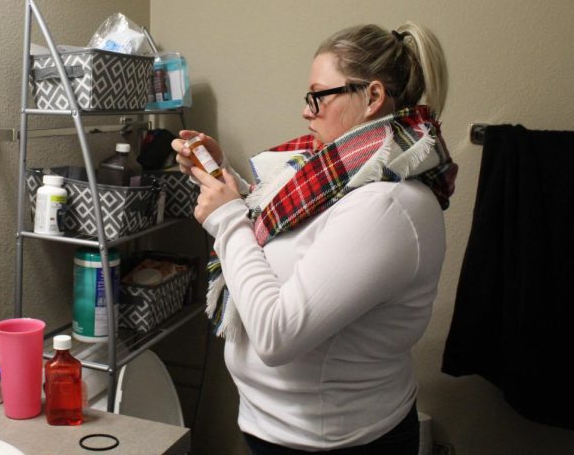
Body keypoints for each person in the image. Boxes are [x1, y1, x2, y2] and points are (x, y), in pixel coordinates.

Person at [172, 23, 458, 454]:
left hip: (333, 443)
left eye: (318, 96)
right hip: (276, 427)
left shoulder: (388, 206)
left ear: (373, 97)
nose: (307, 111)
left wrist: (228, 218)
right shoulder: (339, 176)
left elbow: (276, 336)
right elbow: (286, 238)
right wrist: (224, 177)